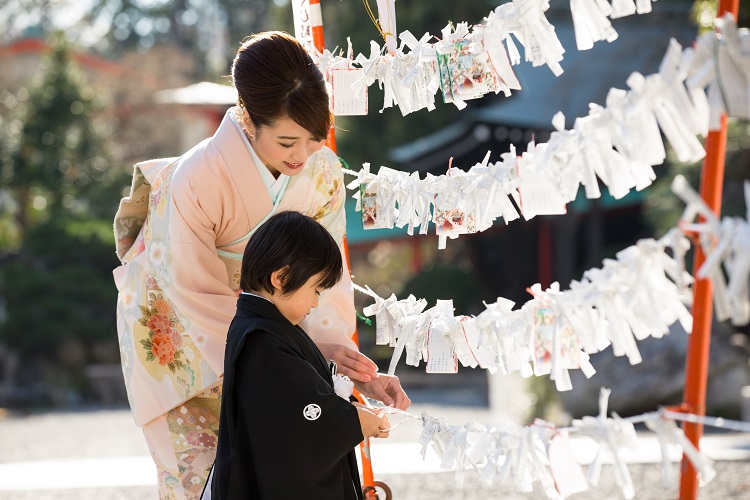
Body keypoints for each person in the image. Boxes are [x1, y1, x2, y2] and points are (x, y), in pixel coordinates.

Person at [112, 31, 410, 499]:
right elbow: (191, 290)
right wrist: (289, 362)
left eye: (313, 139)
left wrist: (332, 357)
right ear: (249, 119)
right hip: (189, 337)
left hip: (275, 338)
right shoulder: (197, 177)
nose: (301, 156)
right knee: (200, 479)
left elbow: (325, 278)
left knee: (283, 470)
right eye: (288, 140)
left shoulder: (322, 170)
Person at [207, 210, 390, 499]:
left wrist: (352, 408)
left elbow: (302, 395)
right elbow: (298, 419)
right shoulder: (262, 340)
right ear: (282, 277)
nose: (316, 302)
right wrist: (352, 422)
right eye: (316, 290)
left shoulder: (267, 326)